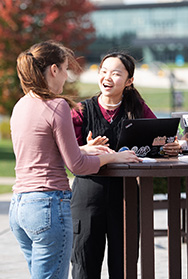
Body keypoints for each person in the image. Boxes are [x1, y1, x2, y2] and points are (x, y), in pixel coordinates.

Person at [9, 41, 140, 279]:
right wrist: (113, 156)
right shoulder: (57, 105)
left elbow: (43, 151)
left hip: (19, 207)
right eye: (65, 69)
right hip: (48, 205)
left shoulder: (21, 105)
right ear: (54, 70)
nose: (66, 77)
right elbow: (76, 165)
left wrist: (85, 148)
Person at [70, 52, 181, 278]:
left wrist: (169, 148)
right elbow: (66, 151)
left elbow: (162, 139)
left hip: (127, 198)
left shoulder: (138, 109)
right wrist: (86, 148)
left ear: (129, 81)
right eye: (103, 71)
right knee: (84, 265)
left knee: (124, 267)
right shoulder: (81, 111)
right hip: (87, 197)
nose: (107, 77)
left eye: (115, 73)